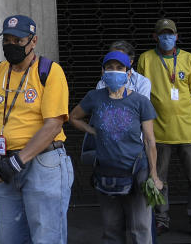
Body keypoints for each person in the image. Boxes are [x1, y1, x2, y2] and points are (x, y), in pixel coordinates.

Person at [0, 14, 73, 244]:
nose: (11, 46)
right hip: (6, 165)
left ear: (33, 41)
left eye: (18, 41)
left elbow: (54, 124)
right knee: (10, 238)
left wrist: (19, 160)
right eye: (7, 40)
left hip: (43, 163)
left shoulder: (49, 71)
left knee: (47, 239)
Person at [70, 51, 162, 243]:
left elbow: (149, 140)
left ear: (129, 73)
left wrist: (154, 174)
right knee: (111, 228)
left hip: (137, 171)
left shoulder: (140, 101)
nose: (114, 72)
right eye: (109, 68)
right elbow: (73, 117)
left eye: (120, 68)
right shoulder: (94, 97)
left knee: (140, 228)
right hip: (106, 174)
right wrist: (92, 130)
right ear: (102, 72)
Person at [135, 18, 191, 238]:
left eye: (171, 33)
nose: (167, 37)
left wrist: (177, 112)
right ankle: (161, 219)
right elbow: (141, 94)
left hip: (188, 131)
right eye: (162, 34)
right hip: (158, 132)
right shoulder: (146, 59)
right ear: (155, 37)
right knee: (158, 178)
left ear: (176, 36)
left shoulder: (189, 59)